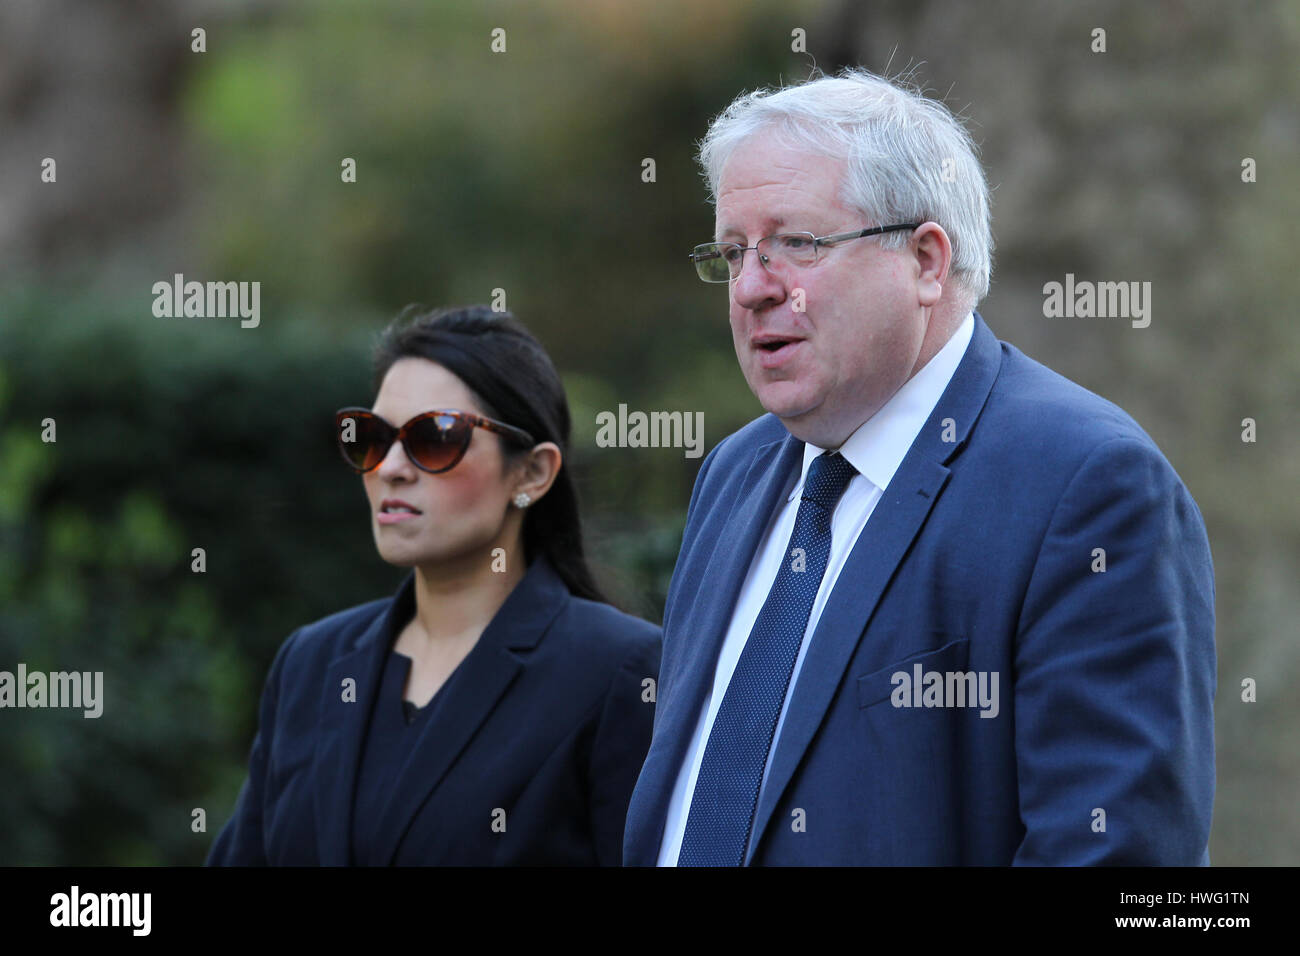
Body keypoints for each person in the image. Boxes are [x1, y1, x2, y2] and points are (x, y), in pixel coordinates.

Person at [623, 67, 1215, 866]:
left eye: (796, 243)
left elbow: (1115, 857)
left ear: (927, 261)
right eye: (733, 253)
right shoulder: (736, 472)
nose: (753, 289)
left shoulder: (1087, 485)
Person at [209, 305, 660, 866]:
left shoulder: (616, 672)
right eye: (371, 438)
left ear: (532, 473)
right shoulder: (311, 665)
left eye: (435, 437)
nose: (392, 467)